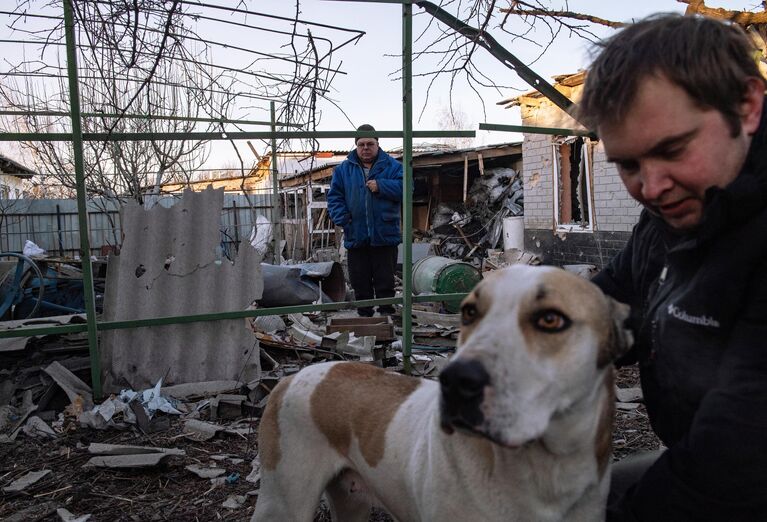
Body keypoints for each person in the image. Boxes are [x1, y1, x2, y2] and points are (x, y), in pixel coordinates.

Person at [577, 14, 767, 521]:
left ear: (747, 106)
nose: (652, 188)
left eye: (672, 150)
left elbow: (734, 460)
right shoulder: (672, 212)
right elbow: (607, 305)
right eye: (629, 165)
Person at [327, 124, 403, 317]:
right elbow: (334, 197)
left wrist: (382, 186)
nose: (365, 148)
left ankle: (387, 314)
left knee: (385, 279)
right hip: (355, 232)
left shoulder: (393, 167)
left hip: (384, 233)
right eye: (361, 144)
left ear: (378, 144)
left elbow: (406, 188)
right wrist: (342, 218)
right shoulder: (344, 170)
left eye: (370, 143)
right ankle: (365, 316)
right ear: (356, 146)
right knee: (359, 279)